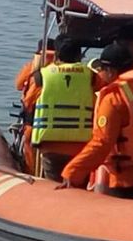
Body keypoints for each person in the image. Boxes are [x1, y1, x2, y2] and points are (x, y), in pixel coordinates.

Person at [60, 43, 133, 200]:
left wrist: (72, 172)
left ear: (111, 71)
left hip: (129, 184)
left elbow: (102, 143)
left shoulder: (114, 99)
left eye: (102, 69)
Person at [30, 38, 98, 180]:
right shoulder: (91, 76)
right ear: (79, 56)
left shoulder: (42, 75)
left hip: (50, 144)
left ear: (56, 55)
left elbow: (28, 102)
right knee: (79, 184)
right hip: (81, 145)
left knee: (53, 184)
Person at [13, 37, 61, 173]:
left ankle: (31, 174)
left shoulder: (32, 69)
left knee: (30, 157)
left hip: (32, 125)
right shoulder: (60, 69)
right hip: (58, 126)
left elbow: (18, 85)